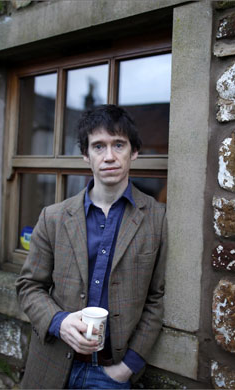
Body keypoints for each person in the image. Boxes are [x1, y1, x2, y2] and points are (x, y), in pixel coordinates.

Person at [16, 104, 167, 389]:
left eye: (118, 144)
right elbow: (28, 286)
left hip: (112, 373)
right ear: (86, 155)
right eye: (98, 146)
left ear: (134, 152)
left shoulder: (157, 218)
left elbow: (156, 299)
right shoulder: (54, 216)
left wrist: (129, 366)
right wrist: (58, 321)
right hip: (51, 364)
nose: (109, 156)